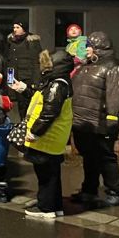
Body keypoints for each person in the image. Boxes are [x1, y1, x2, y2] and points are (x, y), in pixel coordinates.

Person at [70, 31, 119, 207]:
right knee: (89, 157)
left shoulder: (114, 67)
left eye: (88, 46)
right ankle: (89, 190)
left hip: (101, 122)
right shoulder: (86, 66)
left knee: (105, 157)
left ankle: (114, 191)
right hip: (84, 122)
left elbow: (117, 95)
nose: (86, 49)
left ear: (98, 47)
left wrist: (112, 119)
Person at [20, 50, 74, 218]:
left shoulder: (56, 85)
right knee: (51, 173)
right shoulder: (60, 82)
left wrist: (35, 132)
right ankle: (54, 205)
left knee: (45, 174)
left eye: (47, 64)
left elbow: (48, 113)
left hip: (47, 137)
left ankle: (46, 208)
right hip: (53, 136)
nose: (43, 67)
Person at [6, 20, 43, 120]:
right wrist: (9, 80)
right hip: (15, 78)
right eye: (14, 27)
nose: (15, 30)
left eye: (18, 27)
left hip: (27, 79)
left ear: (24, 29)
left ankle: (27, 125)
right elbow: (9, 62)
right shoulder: (11, 42)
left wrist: (36, 81)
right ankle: (22, 125)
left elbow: (36, 62)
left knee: (28, 106)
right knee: (19, 107)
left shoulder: (31, 42)